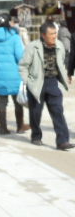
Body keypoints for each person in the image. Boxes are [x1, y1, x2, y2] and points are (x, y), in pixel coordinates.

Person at [19, 21, 74, 150]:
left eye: (55, 33)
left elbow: (61, 63)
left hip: (52, 82)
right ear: (43, 35)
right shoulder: (32, 47)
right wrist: (28, 81)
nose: (55, 36)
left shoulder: (59, 45)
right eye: (51, 34)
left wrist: (65, 75)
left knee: (58, 111)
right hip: (36, 83)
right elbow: (23, 66)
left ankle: (62, 141)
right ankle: (36, 136)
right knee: (35, 112)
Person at [0, 13, 30, 135]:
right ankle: (20, 126)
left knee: (2, 102)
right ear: (8, 23)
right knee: (17, 101)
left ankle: (2, 128)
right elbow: (20, 56)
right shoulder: (14, 37)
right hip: (13, 73)